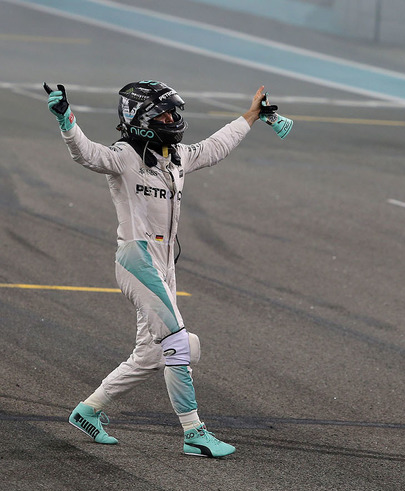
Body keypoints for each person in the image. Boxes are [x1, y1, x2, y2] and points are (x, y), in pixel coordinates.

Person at [46, 80, 280, 458]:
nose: (173, 119)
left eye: (174, 113)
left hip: (164, 264)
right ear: (138, 119)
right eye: (164, 114)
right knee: (177, 344)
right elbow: (87, 154)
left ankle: (87, 410)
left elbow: (216, 147)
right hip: (137, 260)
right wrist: (66, 120)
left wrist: (252, 115)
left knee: (153, 354)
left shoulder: (176, 157)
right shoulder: (124, 156)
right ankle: (194, 432)